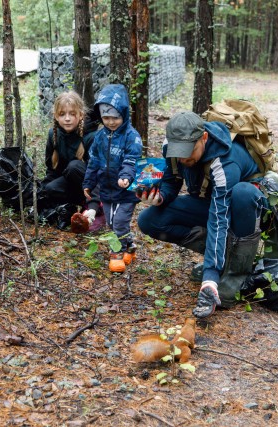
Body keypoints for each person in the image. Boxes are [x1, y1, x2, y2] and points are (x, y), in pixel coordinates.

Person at [137, 112, 268, 319]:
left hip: (245, 211)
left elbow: (219, 217)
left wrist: (209, 277)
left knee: (244, 193)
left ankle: (236, 272)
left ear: (204, 138)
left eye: (189, 151)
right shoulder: (172, 149)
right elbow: (172, 181)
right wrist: (160, 197)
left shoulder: (225, 161)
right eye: (179, 152)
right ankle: (221, 257)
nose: (183, 158)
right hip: (207, 202)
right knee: (150, 220)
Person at [83, 84, 143, 273]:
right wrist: (89, 183)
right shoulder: (100, 137)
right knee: (111, 223)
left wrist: (126, 176)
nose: (110, 122)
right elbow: (93, 161)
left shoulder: (131, 137)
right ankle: (129, 246)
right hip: (106, 190)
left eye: (115, 117)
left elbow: (131, 160)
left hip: (126, 191)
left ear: (123, 114)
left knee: (119, 223)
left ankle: (116, 255)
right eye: (106, 117)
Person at [37, 91, 101, 230]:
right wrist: (44, 192)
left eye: (72, 114)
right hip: (71, 184)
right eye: (62, 114)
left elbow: (97, 173)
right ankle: (71, 208)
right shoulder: (53, 135)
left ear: (81, 115)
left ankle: (94, 207)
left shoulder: (91, 137)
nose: (67, 119)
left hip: (93, 185)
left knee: (74, 167)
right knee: (48, 189)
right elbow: (51, 170)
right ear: (56, 116)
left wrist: (94, 205)